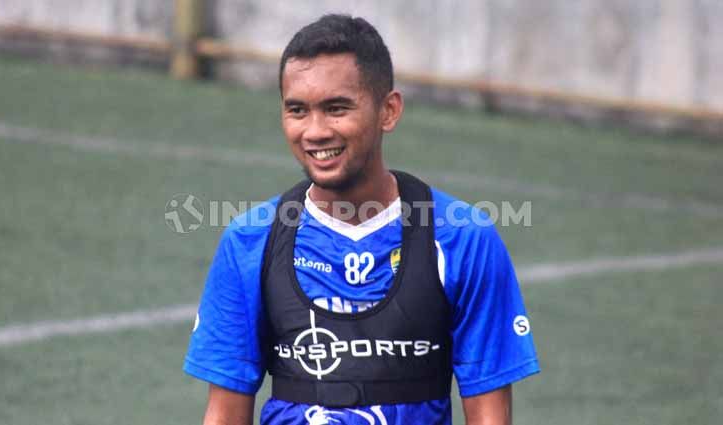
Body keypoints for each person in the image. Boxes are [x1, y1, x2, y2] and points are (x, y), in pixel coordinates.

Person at [184, 14, 539, 425]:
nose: (314, 131)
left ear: (388, 111)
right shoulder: (250, 240)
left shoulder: (463, 238)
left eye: (337, 109)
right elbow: (224, 415)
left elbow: (490, 415)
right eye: (297, 110)